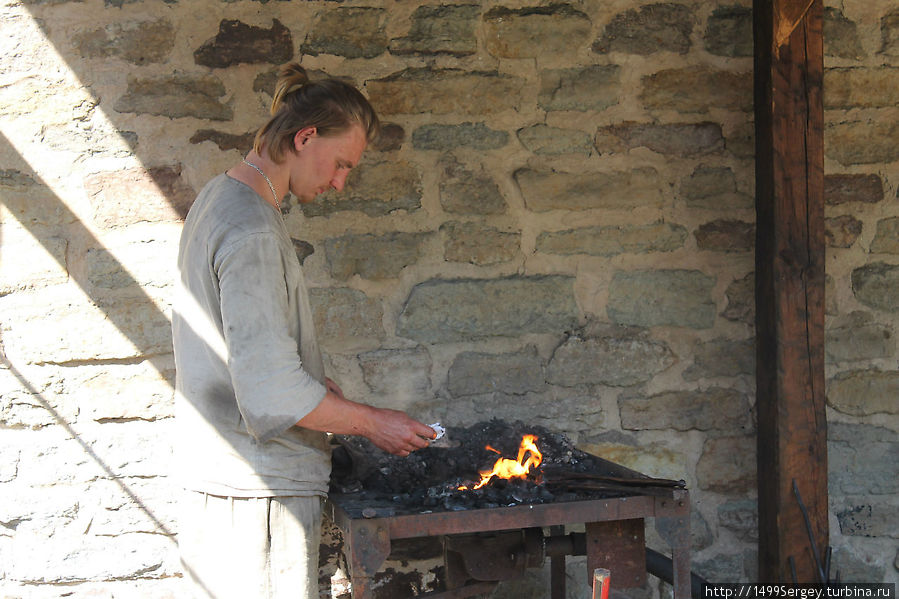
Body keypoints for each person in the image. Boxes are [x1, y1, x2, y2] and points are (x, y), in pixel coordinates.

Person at [171, 62, 435, 599]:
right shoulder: (252, 230)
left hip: (225, 486)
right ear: (305, 136)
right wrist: (371, 423)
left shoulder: (220, 198)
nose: (340, 182)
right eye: (340, 164)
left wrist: (316, 387)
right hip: (255, 496)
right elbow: (269, 391)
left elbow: (245, 354)